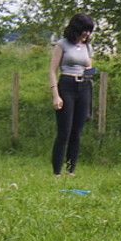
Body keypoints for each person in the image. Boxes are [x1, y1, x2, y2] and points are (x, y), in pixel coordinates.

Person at [50, 13, 95, 176]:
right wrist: (56, 95)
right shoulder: (62, 45)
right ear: (77, 28)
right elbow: (52, 70)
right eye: (85, 30)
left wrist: (90, 99)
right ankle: (56, 172)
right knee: (65, 132)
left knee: (77, 132)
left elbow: (90, 69)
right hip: (66, 86)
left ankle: (71, 171)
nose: (87, 34)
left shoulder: (87, 47)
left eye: (89, 31)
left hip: (83, 87)